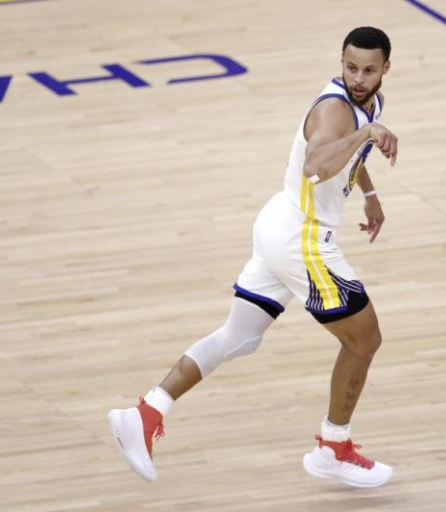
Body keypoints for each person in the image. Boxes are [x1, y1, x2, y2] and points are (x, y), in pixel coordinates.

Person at [108, 26, 398, 489]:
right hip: (302, 240)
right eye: (350, 68)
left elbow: (352, 152)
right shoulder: (334, 110)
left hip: (279, 224)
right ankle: (333, 448)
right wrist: (367, 131)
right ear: (340, 63)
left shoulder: (369, 103)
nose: (358, 78)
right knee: (364, 340)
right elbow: (317, 165)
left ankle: (144, 413)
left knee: (238, 337)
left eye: (368, 70)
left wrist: (370, 194)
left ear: (385, 68)